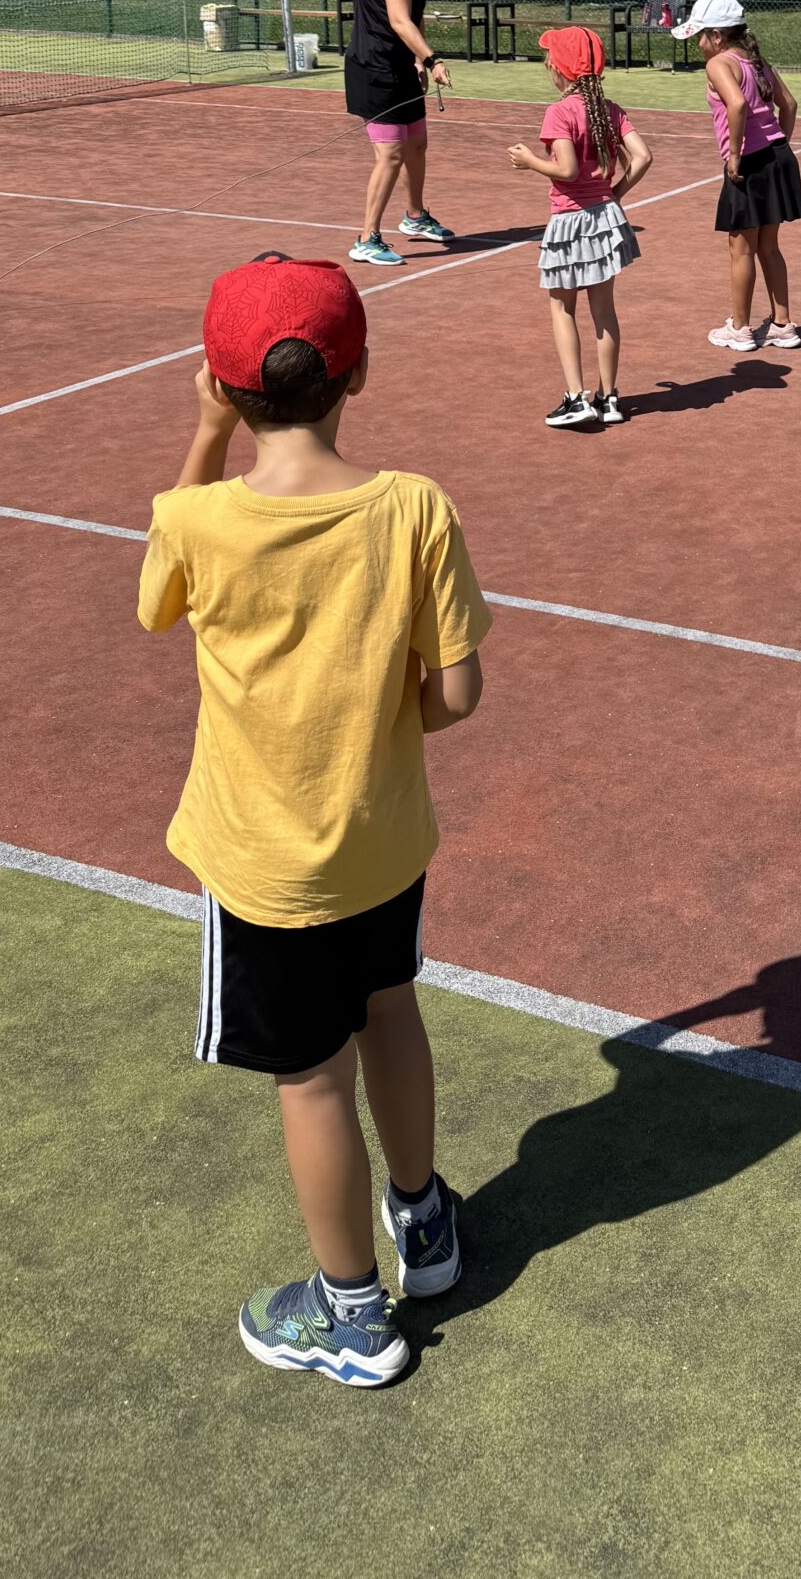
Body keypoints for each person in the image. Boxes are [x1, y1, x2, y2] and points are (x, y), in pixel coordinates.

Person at [138, 253, 492, 1386]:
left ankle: (352, 1315)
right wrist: (381, 735)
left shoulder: (196, 518)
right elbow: (456, 692)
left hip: (264, 864)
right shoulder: (416, 506)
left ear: (221, 385)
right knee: (390, 1010)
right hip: (383, 840)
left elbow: (154, 607)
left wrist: (204, 437)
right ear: (360, 373)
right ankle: (423, 1224)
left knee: (310, 1078)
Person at [508, 26, 654, 428]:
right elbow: (643, 157)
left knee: (562, 307)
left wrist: (529, 161)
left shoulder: (560, 112)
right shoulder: (609, 109)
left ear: (560, 68)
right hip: (605, 218)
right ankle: (609, 398)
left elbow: (567, 170)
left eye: (549, 59)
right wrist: (615, 193)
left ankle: (576, 398)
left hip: (570, 220)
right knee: (604, 311)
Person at [670, 0, 801, 352]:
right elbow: (789, 105)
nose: (698, 44)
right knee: (769, 246)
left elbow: (738, 103)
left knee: (740, 248)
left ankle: (740, 329)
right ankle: (782, 325)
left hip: (749, 163)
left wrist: (734, 154)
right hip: (777, 158)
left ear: (716, 36)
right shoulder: (756, 61)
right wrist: (779, 145)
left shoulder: (718, 63)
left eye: (700, 36)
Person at [345, 0, 456, 267]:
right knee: (391, 154)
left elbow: (416, 16)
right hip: (373, 67)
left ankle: (415, 217)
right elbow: (398, 19)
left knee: (417, 145)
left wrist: (417, 59)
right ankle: (366, 239)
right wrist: (432, 58)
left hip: (401, 65)